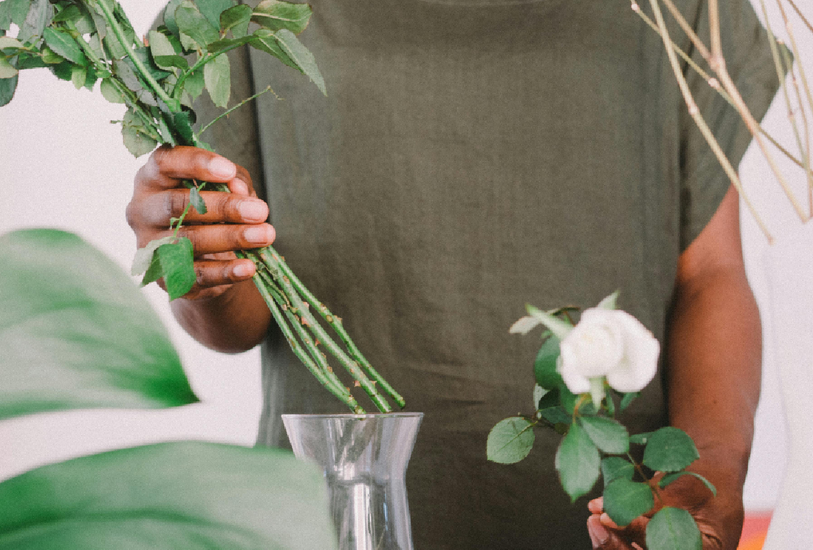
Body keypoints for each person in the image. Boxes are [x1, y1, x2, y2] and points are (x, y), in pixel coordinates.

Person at [125, 0, 778, 547]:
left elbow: (709, 274)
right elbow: (237, 311)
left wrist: (708, 473)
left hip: (615, 523)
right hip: (339, 523)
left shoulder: (687, 8)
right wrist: (200, 258)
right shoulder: (235, 9)